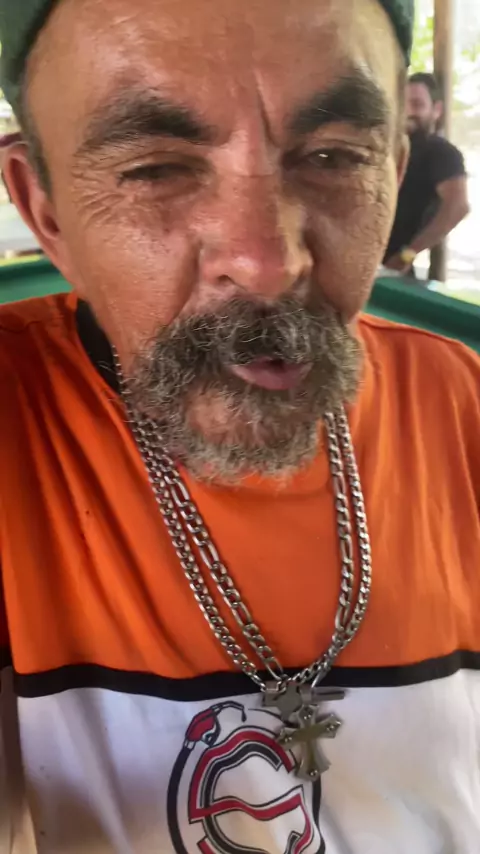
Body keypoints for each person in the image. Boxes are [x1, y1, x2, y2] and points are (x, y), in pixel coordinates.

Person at [0, 1, 479, 852]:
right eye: (155, 169)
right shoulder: (19, 421)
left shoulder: (462, 408)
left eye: (333, 156)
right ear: (47, 212)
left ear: (395, 170)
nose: (267, 262)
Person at [384, 72, 470, 275]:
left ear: (436, 109)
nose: (408, 112)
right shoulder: (391, 147)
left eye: (417, 104)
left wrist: (408, 254)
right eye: (403, 104)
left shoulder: (441, 152)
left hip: (391, 268)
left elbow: (458, 206)